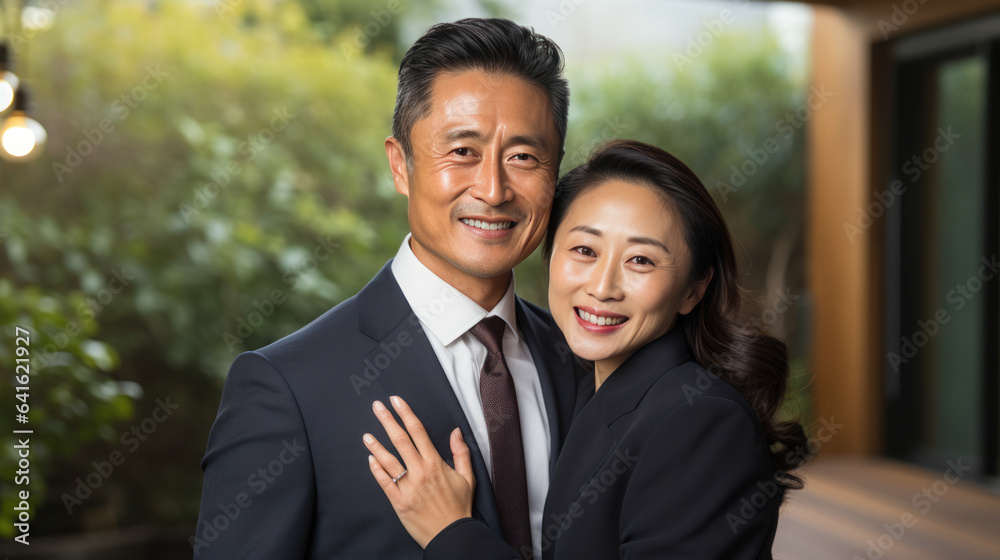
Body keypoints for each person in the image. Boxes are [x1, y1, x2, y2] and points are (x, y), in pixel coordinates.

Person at [193, 18, 581, 559]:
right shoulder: (288, 389)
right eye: (462, 151)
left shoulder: (580, 359)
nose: (493, 189)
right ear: (401, 165)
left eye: (523, 157)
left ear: (555, 174)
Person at [363, 139, 811, 559]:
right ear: (550, 255)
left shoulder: (701, 420)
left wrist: (452, 534)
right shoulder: (583, 388)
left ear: (695, 289)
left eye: (641, 260)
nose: (601, 287)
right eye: (584, 249)